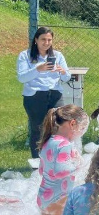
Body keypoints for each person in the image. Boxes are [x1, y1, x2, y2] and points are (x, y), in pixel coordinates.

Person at [17, 26, 71, 158]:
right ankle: (37, 161)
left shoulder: (57, 55)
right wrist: (38, 69)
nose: (46, 43)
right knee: (38, 128)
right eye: (43, 39)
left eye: (49, 40)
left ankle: (57, 158)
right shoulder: (25, 55)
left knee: (60, 125)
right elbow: (21, 77)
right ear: (36, 40)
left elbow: (67, 77)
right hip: (35, 95)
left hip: (55, 94)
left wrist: (62, 71)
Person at [37, 105, 89, 215]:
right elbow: (60, 171)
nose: (82, 132)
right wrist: (78, 164)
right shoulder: (65, 145)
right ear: (72, 124)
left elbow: (41, 171)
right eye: (82, 128)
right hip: (58, 198)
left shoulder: (48, 141)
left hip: (43, 196)